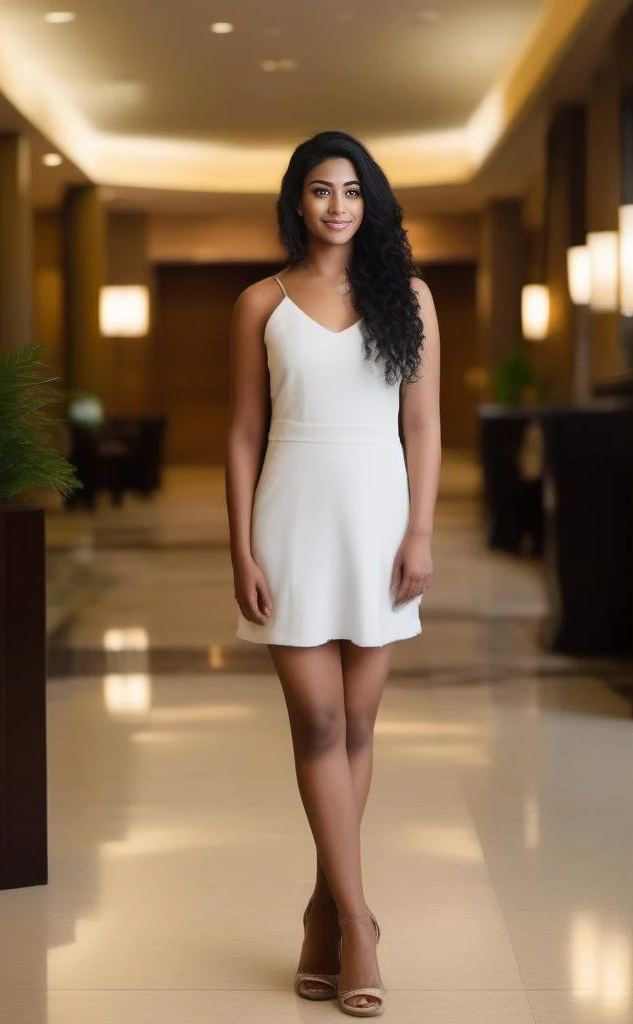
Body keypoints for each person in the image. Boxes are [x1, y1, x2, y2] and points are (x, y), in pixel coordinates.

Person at [225, 130, 441, 1017]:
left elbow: (422, 427)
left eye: (352, 191)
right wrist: (239, 546)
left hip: (379, 524)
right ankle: (360, 922)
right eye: (321, 191)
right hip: (291, 522)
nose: (338, 206)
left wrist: (420, 532)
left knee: (356, 723)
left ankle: (322, 914)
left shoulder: (410, 299)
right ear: (297, 202)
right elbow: (242, 434)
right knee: (316, 719)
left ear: (372, 201)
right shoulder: (259, 303)